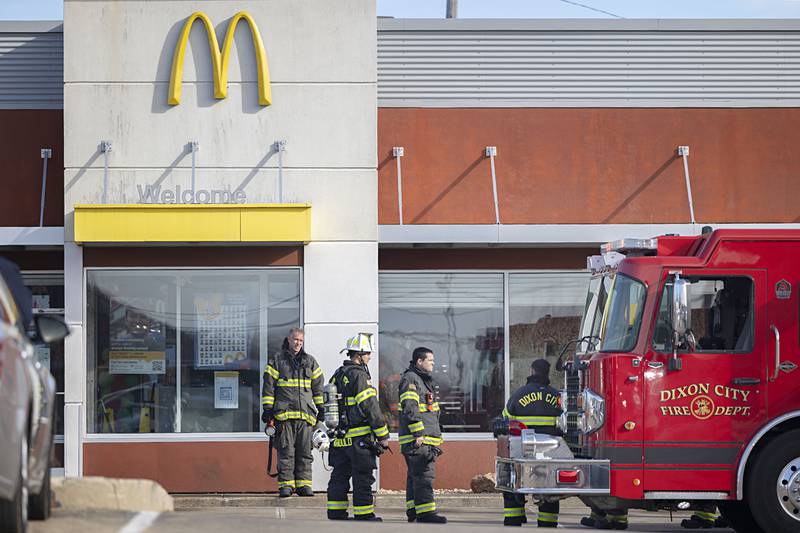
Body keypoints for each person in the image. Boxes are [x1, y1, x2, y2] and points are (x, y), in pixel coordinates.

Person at [326, 333, 389, 521]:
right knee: (362, 477)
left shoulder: (337, 375)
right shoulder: (359, 376)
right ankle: (364, 514)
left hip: (339, 439)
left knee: (339, 476)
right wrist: (382, 435)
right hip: (359, 440)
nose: (370, 357)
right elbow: (370, 405)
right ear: (359, 355)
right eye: (368, 353)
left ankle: (335, 512)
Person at [261, 328, 325, 497]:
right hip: (284, 416)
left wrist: (321, 408)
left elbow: (317, 388)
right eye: (295, 339)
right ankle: (286, 486)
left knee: (305, 452)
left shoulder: (310, 362)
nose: (297, 343)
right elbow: (268, 387)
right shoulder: (277, 361)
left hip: (305, 416)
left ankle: (304, 485)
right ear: (288, 340)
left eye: (301, 341)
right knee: (286, 451)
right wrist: (267, 409)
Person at [502, 358, 563, 528]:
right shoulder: (557, 396)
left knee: (513, 480)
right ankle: (547, 522)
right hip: (551, 449)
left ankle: (514, 518)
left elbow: (506, 419)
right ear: (547, 373)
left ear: (531, 371)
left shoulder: (519, 394)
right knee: (549, 486)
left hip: (523, 448)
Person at [399, 347, 448, 524]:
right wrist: (418, 433)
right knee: (424, 476)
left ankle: (413, 510)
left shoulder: (420, 379)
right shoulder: (411, 379)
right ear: (420, 361)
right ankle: (426, 513)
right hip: (419, 440)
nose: (433, 364)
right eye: (431, 361)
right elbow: (410, 407)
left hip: (423, 439)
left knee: (415, 476)